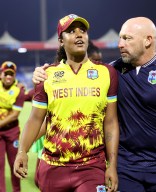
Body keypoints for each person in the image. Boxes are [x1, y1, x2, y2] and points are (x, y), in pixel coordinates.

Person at [32, 16, 156, 192]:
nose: (120, 44)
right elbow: (70, 102)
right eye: (120, 38)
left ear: (148, 40)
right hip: (126, 167)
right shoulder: (111, 71)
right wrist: (43, 73)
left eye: (127, 38)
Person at [14, 14, 119, 192]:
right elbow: (34, 119)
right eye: (71, 31)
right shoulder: (47, 75)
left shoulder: (106, 73)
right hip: (53, 168)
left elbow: (110, 122)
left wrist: (112, 165)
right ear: (61, 40)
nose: (79, 35)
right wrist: (22, 151)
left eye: (83, 31)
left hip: (92, 166)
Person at [0, 61, 25, 192]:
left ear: (14, 76)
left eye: (11, 74)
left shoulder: (19, 91)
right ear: (1, 74)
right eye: (6, 74)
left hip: (12, 132)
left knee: (14, 164)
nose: (8, 77)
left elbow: (14, 115)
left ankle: (17, 190)